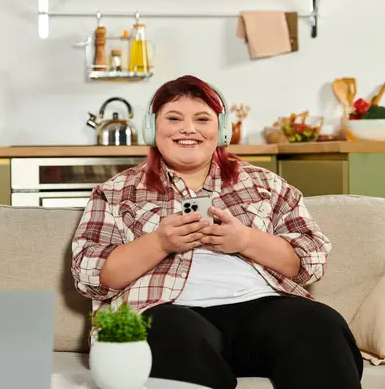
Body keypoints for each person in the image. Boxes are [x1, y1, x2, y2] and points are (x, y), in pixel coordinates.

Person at [71, 75, 363, 389]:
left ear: (221, 130)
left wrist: (246, 240)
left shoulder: (265, 184)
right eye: (173, 118)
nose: (188, 129)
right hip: (168, 312)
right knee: (170, 329)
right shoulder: (116, 192)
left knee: (319, 323)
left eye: (202, 119)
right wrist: (160, 242)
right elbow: (92, 277)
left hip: (260, 310)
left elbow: (312, 261)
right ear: (151, 127)